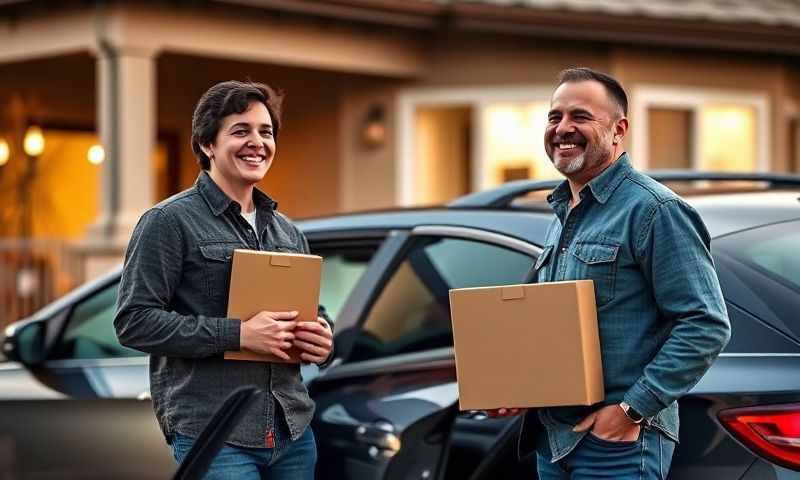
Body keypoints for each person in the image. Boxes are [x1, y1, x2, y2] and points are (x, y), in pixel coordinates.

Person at [488, 67, 731, 479]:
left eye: (580, 117)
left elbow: (705, 324)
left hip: (618, 444)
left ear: (619, 130)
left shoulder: (654, 210)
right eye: (555, 117)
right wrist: (518, 387)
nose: (563, 128)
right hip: (555, 439)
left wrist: (631, 409)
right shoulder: (564, 212)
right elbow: (553, 324)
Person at [114, 80, 333, 480]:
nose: (257, 142)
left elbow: (309, 312)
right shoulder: (168, 222)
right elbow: (134, 321)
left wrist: (321, 334)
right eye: (240, 131)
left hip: (292, 432)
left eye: (265, 132)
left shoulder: (288, 232)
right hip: (215, 434)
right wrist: (239, 335)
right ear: (207, 145)